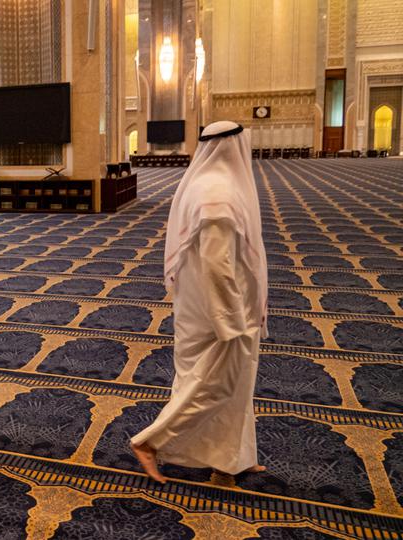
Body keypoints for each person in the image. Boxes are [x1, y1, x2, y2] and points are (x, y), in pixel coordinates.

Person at [130, 121, 269, 483]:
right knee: (214, 384)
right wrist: (231, 321)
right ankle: (150, 442)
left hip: (202, 304)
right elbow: (216, 265)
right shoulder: (217, 193)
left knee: (231, 383)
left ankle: (232, 458)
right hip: (220, 310)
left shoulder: (208, 183)